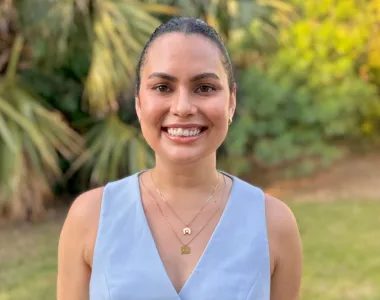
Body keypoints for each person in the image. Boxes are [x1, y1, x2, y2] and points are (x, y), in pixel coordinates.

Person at [57, 17, 302, 300]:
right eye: (163, 87)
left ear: (231, 102)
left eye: (205, 88)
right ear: (139, 102)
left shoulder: (274, 224)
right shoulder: (90, 217)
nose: (183, 107)